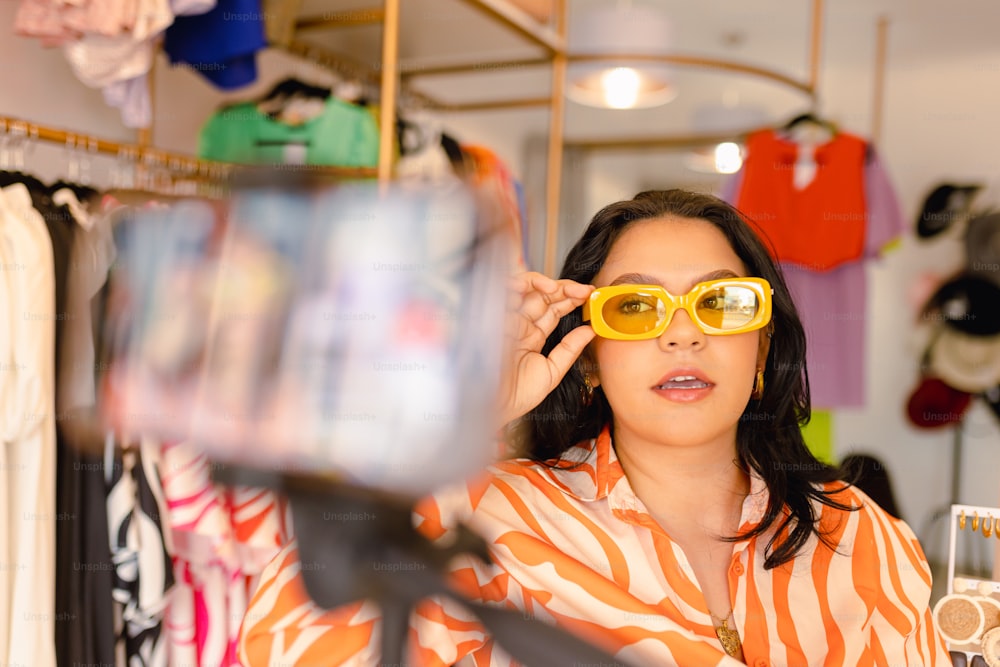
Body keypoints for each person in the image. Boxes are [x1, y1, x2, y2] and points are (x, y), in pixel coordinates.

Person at [238, 189, 950, 666]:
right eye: (636, 307)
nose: (682, 336)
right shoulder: (490, 516)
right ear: (587, 361)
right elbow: (293, 643)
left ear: (762, 349)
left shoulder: (862, 536)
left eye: (720, 303)